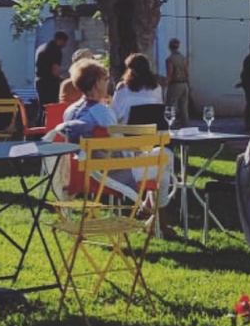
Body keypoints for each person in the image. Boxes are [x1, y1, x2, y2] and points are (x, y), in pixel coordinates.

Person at [62, 58, 174, 235]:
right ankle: (159, 220)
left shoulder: (70, 111)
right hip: (112, 174)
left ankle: (150, 211)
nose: (108, 83)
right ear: (97, 83)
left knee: (161, 156)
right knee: (165, 157)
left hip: (84, 172)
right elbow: (121, 149)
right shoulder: (103, 113)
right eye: (105, 79)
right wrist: (140, 151)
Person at [111, 53, 163, 125]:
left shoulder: (123, 88)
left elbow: (115, 113)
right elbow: (159, 113)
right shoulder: (157, 88)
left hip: (128, 132)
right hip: (152, 132)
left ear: (131, 70)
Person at [34, 31, 68, 106]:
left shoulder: (42, 47)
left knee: (42, 107)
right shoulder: (55, 50)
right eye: (65, 42)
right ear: (60, 40)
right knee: (51, 107)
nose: (65, 45)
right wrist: (62, 80)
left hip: (39, 81)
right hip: (49, 83)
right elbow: (55, 69)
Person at [164, 38, 190, 127]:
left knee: (171, 106)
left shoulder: (170, 59)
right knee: (184, 107)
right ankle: (186, 125)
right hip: (184, 84)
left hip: (175, 84)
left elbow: (170, 74)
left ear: (169, 47)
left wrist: (166, 84)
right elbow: (187, 72)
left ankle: (170, 125)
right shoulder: (183, 58)